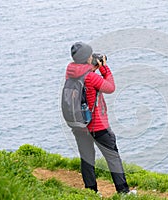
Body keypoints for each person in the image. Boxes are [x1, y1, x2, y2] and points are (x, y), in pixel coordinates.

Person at [65, 42, 130, 194]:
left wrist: (92, 66)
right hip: (97, 126)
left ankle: (91, 193)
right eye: (90, 55)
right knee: (112, 157)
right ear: (87, 58)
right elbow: (110, 87)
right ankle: (123, 192)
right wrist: (104, 68)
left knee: (87, 159)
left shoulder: (70, 73)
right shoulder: (92, 77)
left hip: (79, 125)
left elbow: (83, 77)